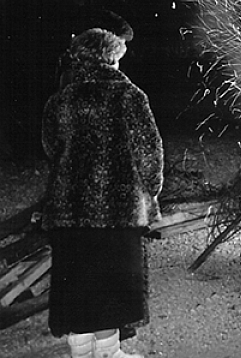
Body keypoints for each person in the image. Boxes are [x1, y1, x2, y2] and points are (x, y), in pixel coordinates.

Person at [42, 28, 164, 358]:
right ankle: (108, 353)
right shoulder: (131, 96)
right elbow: (149, 153)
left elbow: (51, 147)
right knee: (110, 288)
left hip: (69, 211)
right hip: (118, 211)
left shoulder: (61, 100)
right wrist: (151, 191)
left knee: (77, 282)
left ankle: (81, 352)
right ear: (111, 58)